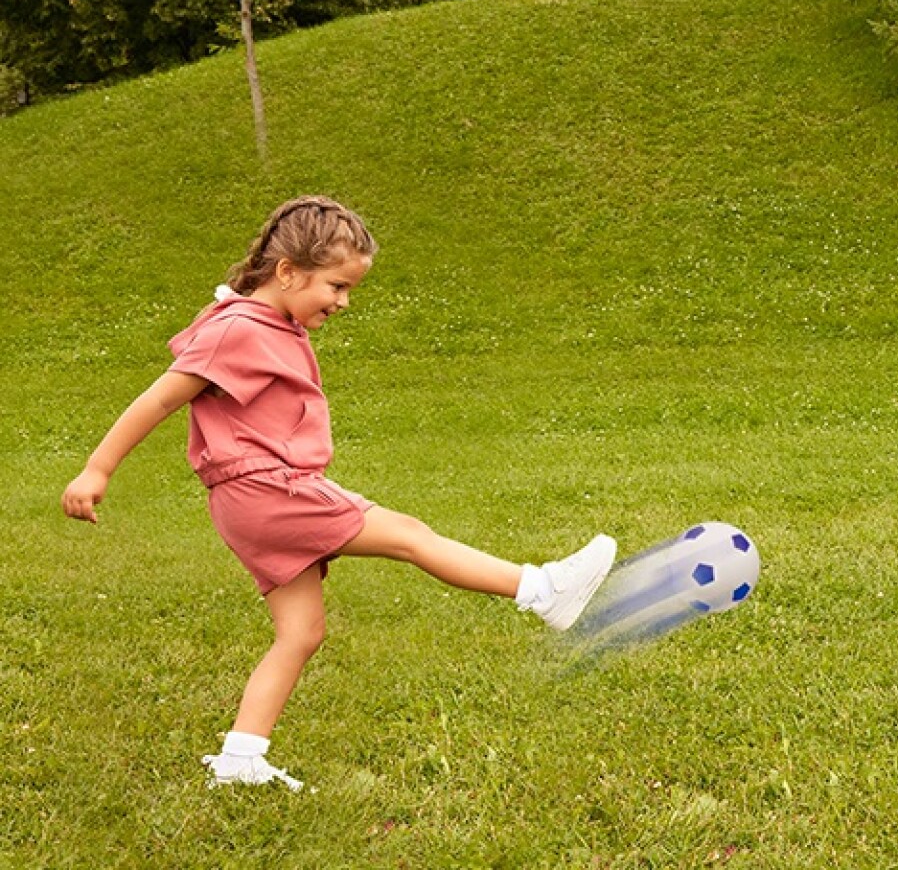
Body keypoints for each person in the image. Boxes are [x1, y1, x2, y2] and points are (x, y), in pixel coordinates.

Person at [61, 196, 617, 790]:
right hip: (268, 489)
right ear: (287, 272)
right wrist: (97, 470)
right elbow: (160, 399)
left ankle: (241, 758)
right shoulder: (239, 329)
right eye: (337, 286)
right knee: (409, 536)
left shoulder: (265, 323)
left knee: (301, 633)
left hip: (252, 498)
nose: (344, 301)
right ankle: (541, 589)